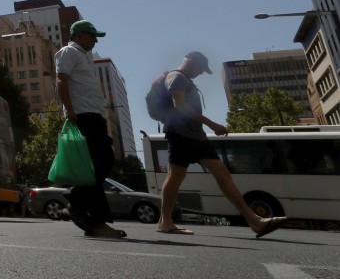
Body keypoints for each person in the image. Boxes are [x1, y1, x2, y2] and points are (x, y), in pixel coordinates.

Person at [155, 51, 287, 238]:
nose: (201, 73)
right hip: (181, 134)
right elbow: (180, 106)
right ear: (191, 62)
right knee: (175, 176)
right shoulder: (176, 77)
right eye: (201, 69)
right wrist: (212, 124)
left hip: (196, 136)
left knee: (220, 173)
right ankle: (165, 222)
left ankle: (254, 221)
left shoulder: (184, 79)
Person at [53, 20, 123, 239]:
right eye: (93, 36)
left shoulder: (86, 56)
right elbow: (61, 81)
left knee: (100, 164)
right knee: (99, 163)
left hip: (95, 115)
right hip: (82, 115)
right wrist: (70, 110)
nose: (95, 40)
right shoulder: (68, 52)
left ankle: (89, 213)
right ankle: (88, 212)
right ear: (80, 35)